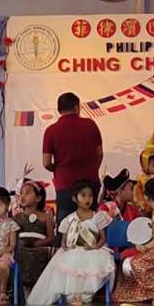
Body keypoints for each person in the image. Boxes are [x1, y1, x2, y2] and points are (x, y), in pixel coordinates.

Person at [28, 180, 115, 306]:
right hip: (74, 249)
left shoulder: (97, 216)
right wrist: (68, 248)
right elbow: (64, 242)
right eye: (83, 195)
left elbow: (102, 238)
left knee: (91, 265)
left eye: (90, 195)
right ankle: (73, 295)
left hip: (92, 249)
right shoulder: (69, 219)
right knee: (70, 264)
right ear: (75, 198)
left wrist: (95, 246)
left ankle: (86, 294)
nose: (87, 199)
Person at [40, 92, 104, 221]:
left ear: (59, 110)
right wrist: (92, 168)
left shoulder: (51, 131)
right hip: (90, 182)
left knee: (65, 224)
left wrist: (58, 169)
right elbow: (100, 153)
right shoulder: (90, 125)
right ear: (77, 107)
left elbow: (46, 162)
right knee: (92, 223)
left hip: (65, 183)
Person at [11, 180, 55, 294]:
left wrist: (37, 243)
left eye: (28, 193)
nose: (23, 196)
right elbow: (12, 238)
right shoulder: (16, 218)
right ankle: (20, 287)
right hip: (21, 249)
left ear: (38, 198)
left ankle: (40, 288)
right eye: (22, 193)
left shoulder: (46, 217)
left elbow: (51, 237)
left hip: (40, 249)